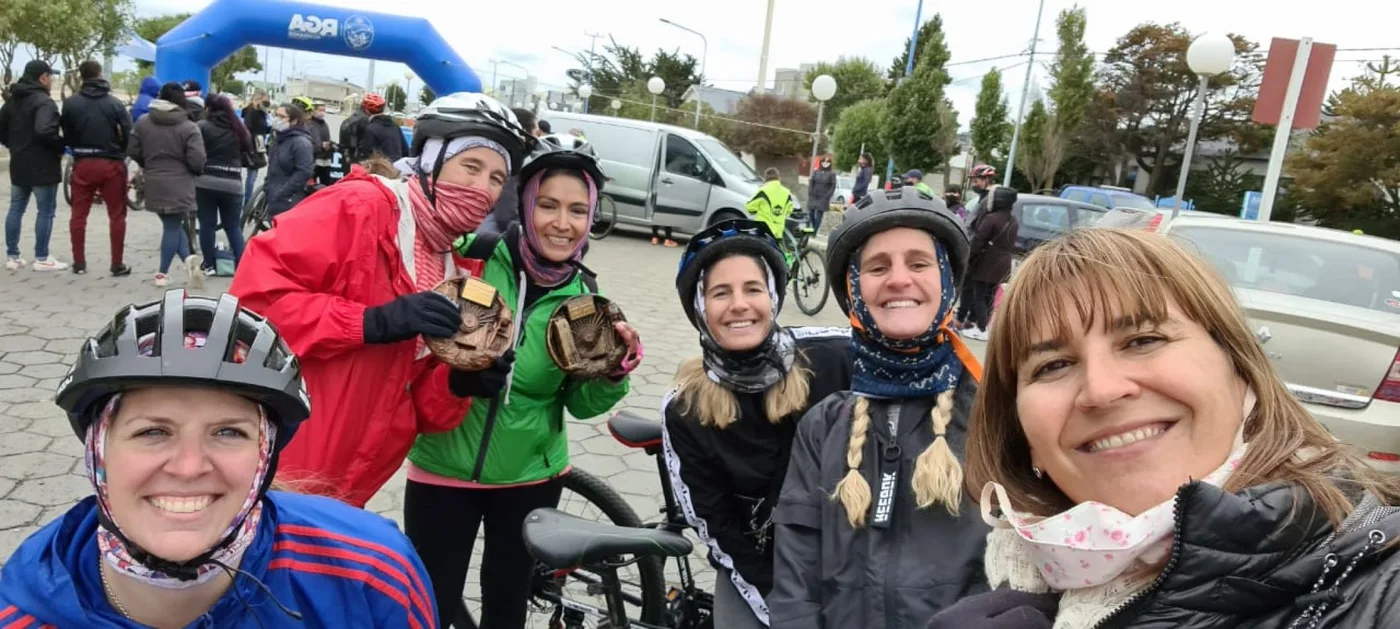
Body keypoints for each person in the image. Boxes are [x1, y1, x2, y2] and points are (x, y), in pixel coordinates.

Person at [928, 228, 1400, 629]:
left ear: (1241, 371)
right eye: (1053, 366)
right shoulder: (1016, 580)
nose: (1102, 390)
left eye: (1143, 340)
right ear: (1021, 433)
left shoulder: (1379, 588)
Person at [0, 290, 437, 628]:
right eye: (153, 432)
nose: (189, 467)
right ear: (100, 451)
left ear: (264, 456)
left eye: (228, 432)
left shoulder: (371, 573)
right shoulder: (18, 613)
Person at [229, 92, 536, 508]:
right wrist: (370, 322)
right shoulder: (362, 206)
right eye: (471, 166)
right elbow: (251, 305)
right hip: (280, 459)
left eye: (497, 178)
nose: (482, 188)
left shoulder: (454, 269)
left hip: (354, 479)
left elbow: (417, 407)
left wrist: (459, 381)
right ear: (430, 160)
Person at [405, 132, 642, 629]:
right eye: (549, 205)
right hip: (442, 467)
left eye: (578, 211)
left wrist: (613, 370)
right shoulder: (472, 256)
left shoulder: (586, 298)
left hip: (531, 477)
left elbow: (579, 404)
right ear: (526, 202)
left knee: (506, 606)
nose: (562, 223)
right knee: (430, 607)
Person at [769, 187, 990, 629]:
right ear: (853, 293)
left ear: (947, 280)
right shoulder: (824, 426)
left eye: (919, 263)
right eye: (877, 267)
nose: (899, 279)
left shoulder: (995, 414)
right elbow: (796, 573)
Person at [663, 219, 852, 628]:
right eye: (720, 293)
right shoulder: (685, 409)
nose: (739, 304)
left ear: (773, 296)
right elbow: (719, 528)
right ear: (700, 309)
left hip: (847, 558)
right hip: (758, 566)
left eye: (753, 288)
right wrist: (783, 610)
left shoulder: (835, 356)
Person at [129, 82, 206, 289]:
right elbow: (198, 160)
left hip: (153, 180)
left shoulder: (144, 122)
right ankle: (162, 273)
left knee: (172, 225)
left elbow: (133, 150)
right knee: (172, 227)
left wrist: (148, 164)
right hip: (180, 183)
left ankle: (190, 263)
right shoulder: (189, 127)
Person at [61, 59, 133, 277]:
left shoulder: (71, 103)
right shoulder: (114, 103)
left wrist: (77, 148)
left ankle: (79, 262)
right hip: (111, 163)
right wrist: (120, 151)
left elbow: (67, 131)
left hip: (83, 162)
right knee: (117, 214)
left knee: (78, 214)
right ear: (100, 75)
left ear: (82, 77)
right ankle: (116, 263)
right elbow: (129, 131)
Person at [1, 59, 68, 272]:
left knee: (16, 208)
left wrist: (14, 146)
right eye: (51, 76)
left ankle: (13, 256)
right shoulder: (44, 102)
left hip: (19, 162)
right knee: (45, 211)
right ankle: (41, 256)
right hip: (43, 164)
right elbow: (44, 131)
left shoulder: (11, 101)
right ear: (43, 78)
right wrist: (60, 146)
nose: (52, 80)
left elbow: (1, 130)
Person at [194, 93, 252, 276]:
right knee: (232, 226)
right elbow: (248, 150)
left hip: (206, 182)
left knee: (207, 225)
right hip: (233, 183)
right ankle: (242, 265)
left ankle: (209, 265)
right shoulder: (239, 128)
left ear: (208, 108)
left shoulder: (202, 126)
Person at [955, 184, 1018, 341]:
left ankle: (981, 328)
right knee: (989, 296)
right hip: (1003, 264)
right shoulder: (1013, 220)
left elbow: (978, 241)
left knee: (979, 295)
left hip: (986, 263)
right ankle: (985, 327)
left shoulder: (991, 219)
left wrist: (969, 257)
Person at [479, 106, 544, 237]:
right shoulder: (513, 162)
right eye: (536, 133)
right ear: (525, 132)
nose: (538, 138)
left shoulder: (498, 153)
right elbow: (506, 213)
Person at [262, 102, 315, 218]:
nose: (277, 119)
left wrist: (284, 192)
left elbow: (304, 171)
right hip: (274, 197)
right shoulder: (278, 139)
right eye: (276, 115)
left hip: (289, 200)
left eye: (282, 117)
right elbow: (272, 166)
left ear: (294, 121)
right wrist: (267, 186)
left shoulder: (301, 143)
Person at [745, 168, 796, 242]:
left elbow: (749, 207)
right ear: (779, 178)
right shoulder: (787, 192)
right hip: (778, 233)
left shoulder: (763, 191)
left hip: (764, 231)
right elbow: (789, 210)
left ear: (765, 178)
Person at [356, 96, 409, 163]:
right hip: (396, 169)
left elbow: (366, 155)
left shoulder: (370, 129)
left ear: (366, 111)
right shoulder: (395, 126)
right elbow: (405, 151)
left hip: (379, 169)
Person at [240, 91, 270, 202]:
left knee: (252, 175)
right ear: (258, 99)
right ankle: (247, 201)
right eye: (266, 101)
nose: (267, 104)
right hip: (252, 146)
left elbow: (262, 129)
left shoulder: (261, 113)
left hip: (257, 145)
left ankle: (247, 201)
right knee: (251, 176)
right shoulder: (252, 112)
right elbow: (248, 129)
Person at [807, 155, 836, 233]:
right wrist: (810, 191)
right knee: (811, 212)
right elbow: (811, 181)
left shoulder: (832, 174)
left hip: (823, 197)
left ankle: (814, 231)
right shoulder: (816, 171)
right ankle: (813, 226)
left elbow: (833, 185)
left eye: (827, 162)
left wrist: (828, 196)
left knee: (819, 214)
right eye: (824, 161)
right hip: (814, 195)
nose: (825, 163)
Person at [308, 102, 335, 184]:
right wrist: (321, 145)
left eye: (324, 110)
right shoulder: (310, 124)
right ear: (313, 110)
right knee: (311, 184)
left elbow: (327, 138)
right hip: (314, 160)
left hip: (326, 160)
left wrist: (330, 144)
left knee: (326, 184)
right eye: (320, 110)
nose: (322, 112)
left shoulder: (324, 124)